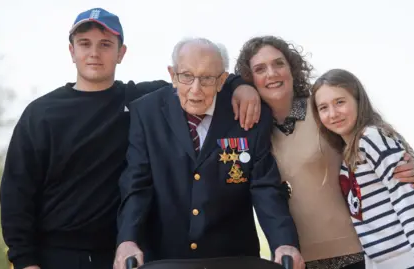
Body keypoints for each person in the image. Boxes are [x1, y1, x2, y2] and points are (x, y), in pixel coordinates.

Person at [0, 8, 261, 269]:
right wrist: (25, 260)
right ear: (72, 51)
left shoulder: (142, 100)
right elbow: (16, 193)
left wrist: (240, 85)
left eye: (105, 44)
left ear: (121, 53)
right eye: (84, 44)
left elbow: (197, 76)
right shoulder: (41, 113)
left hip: (123, 254)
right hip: (55, 253)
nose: (94, 53)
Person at [114, 37, 304, 269]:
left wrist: (284, 242)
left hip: (233, 258)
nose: (196, 89)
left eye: (206, 78)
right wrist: (127, 239)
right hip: (165, 258)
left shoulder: (248, 115)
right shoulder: (146, 112)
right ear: (172, 75)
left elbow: (265, 186)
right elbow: (137, 184)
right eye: (186, 76)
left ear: (222, 80)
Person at [234, 36, 414, 269]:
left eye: (279, 64)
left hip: (360, 251)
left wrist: (410, 161)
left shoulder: (323, 109)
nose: (271, 73)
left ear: (291, 68)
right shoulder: (252, 131)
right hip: (299, 260)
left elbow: (379, 133)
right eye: (260, 69)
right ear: (250, 79)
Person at [310, 68, 414, 269]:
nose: (333, 114)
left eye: (340, 102)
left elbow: (407, 200)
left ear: (359, 101)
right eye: (323, 107)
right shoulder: (347, 159)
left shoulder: (372, 138)